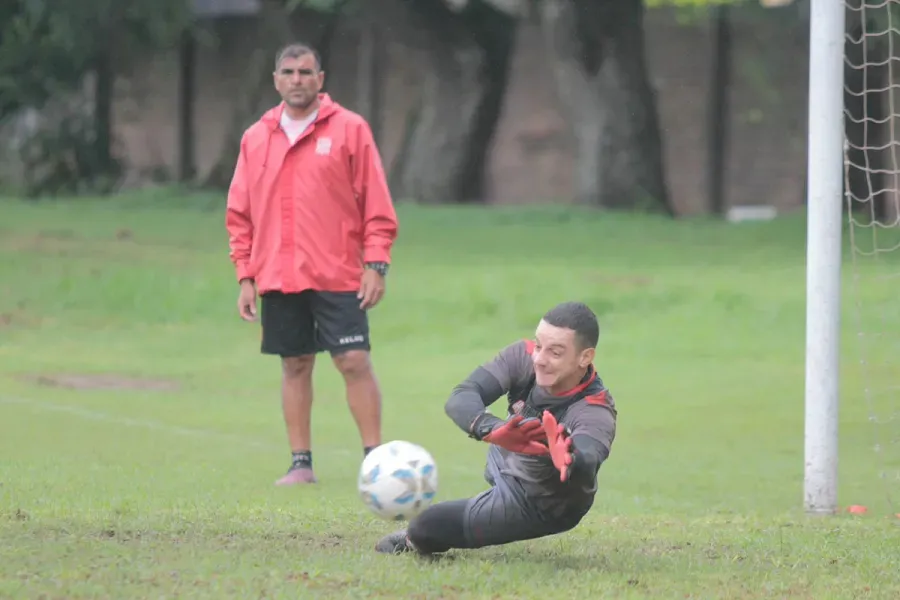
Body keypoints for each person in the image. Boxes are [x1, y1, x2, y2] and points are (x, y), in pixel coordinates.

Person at [225, 42, 399, 486]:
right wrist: (245, 274)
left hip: (338, 271)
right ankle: (301, 464)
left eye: (306, 72)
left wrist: (375, 264)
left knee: (354, 360)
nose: (297, 79)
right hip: (278, 274)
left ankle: (375, 462)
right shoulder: (255, 136)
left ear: (320, 80)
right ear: (276, 79)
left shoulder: (350, 129)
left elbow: (376, 204)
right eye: (289, 72)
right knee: (295, 364)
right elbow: (239, 213)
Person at [374, 301, 617, 555]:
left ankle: (414, 541)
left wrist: (570, 458)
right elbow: (462, 396)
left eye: (555, 353)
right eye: (538, 345)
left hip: (539, 502)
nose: (540, 360)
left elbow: (588, 456)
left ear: (585, 357)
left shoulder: (595, 408)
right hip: (506, 462)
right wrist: (493, 429)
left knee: (426, 525)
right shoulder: (523, 357)